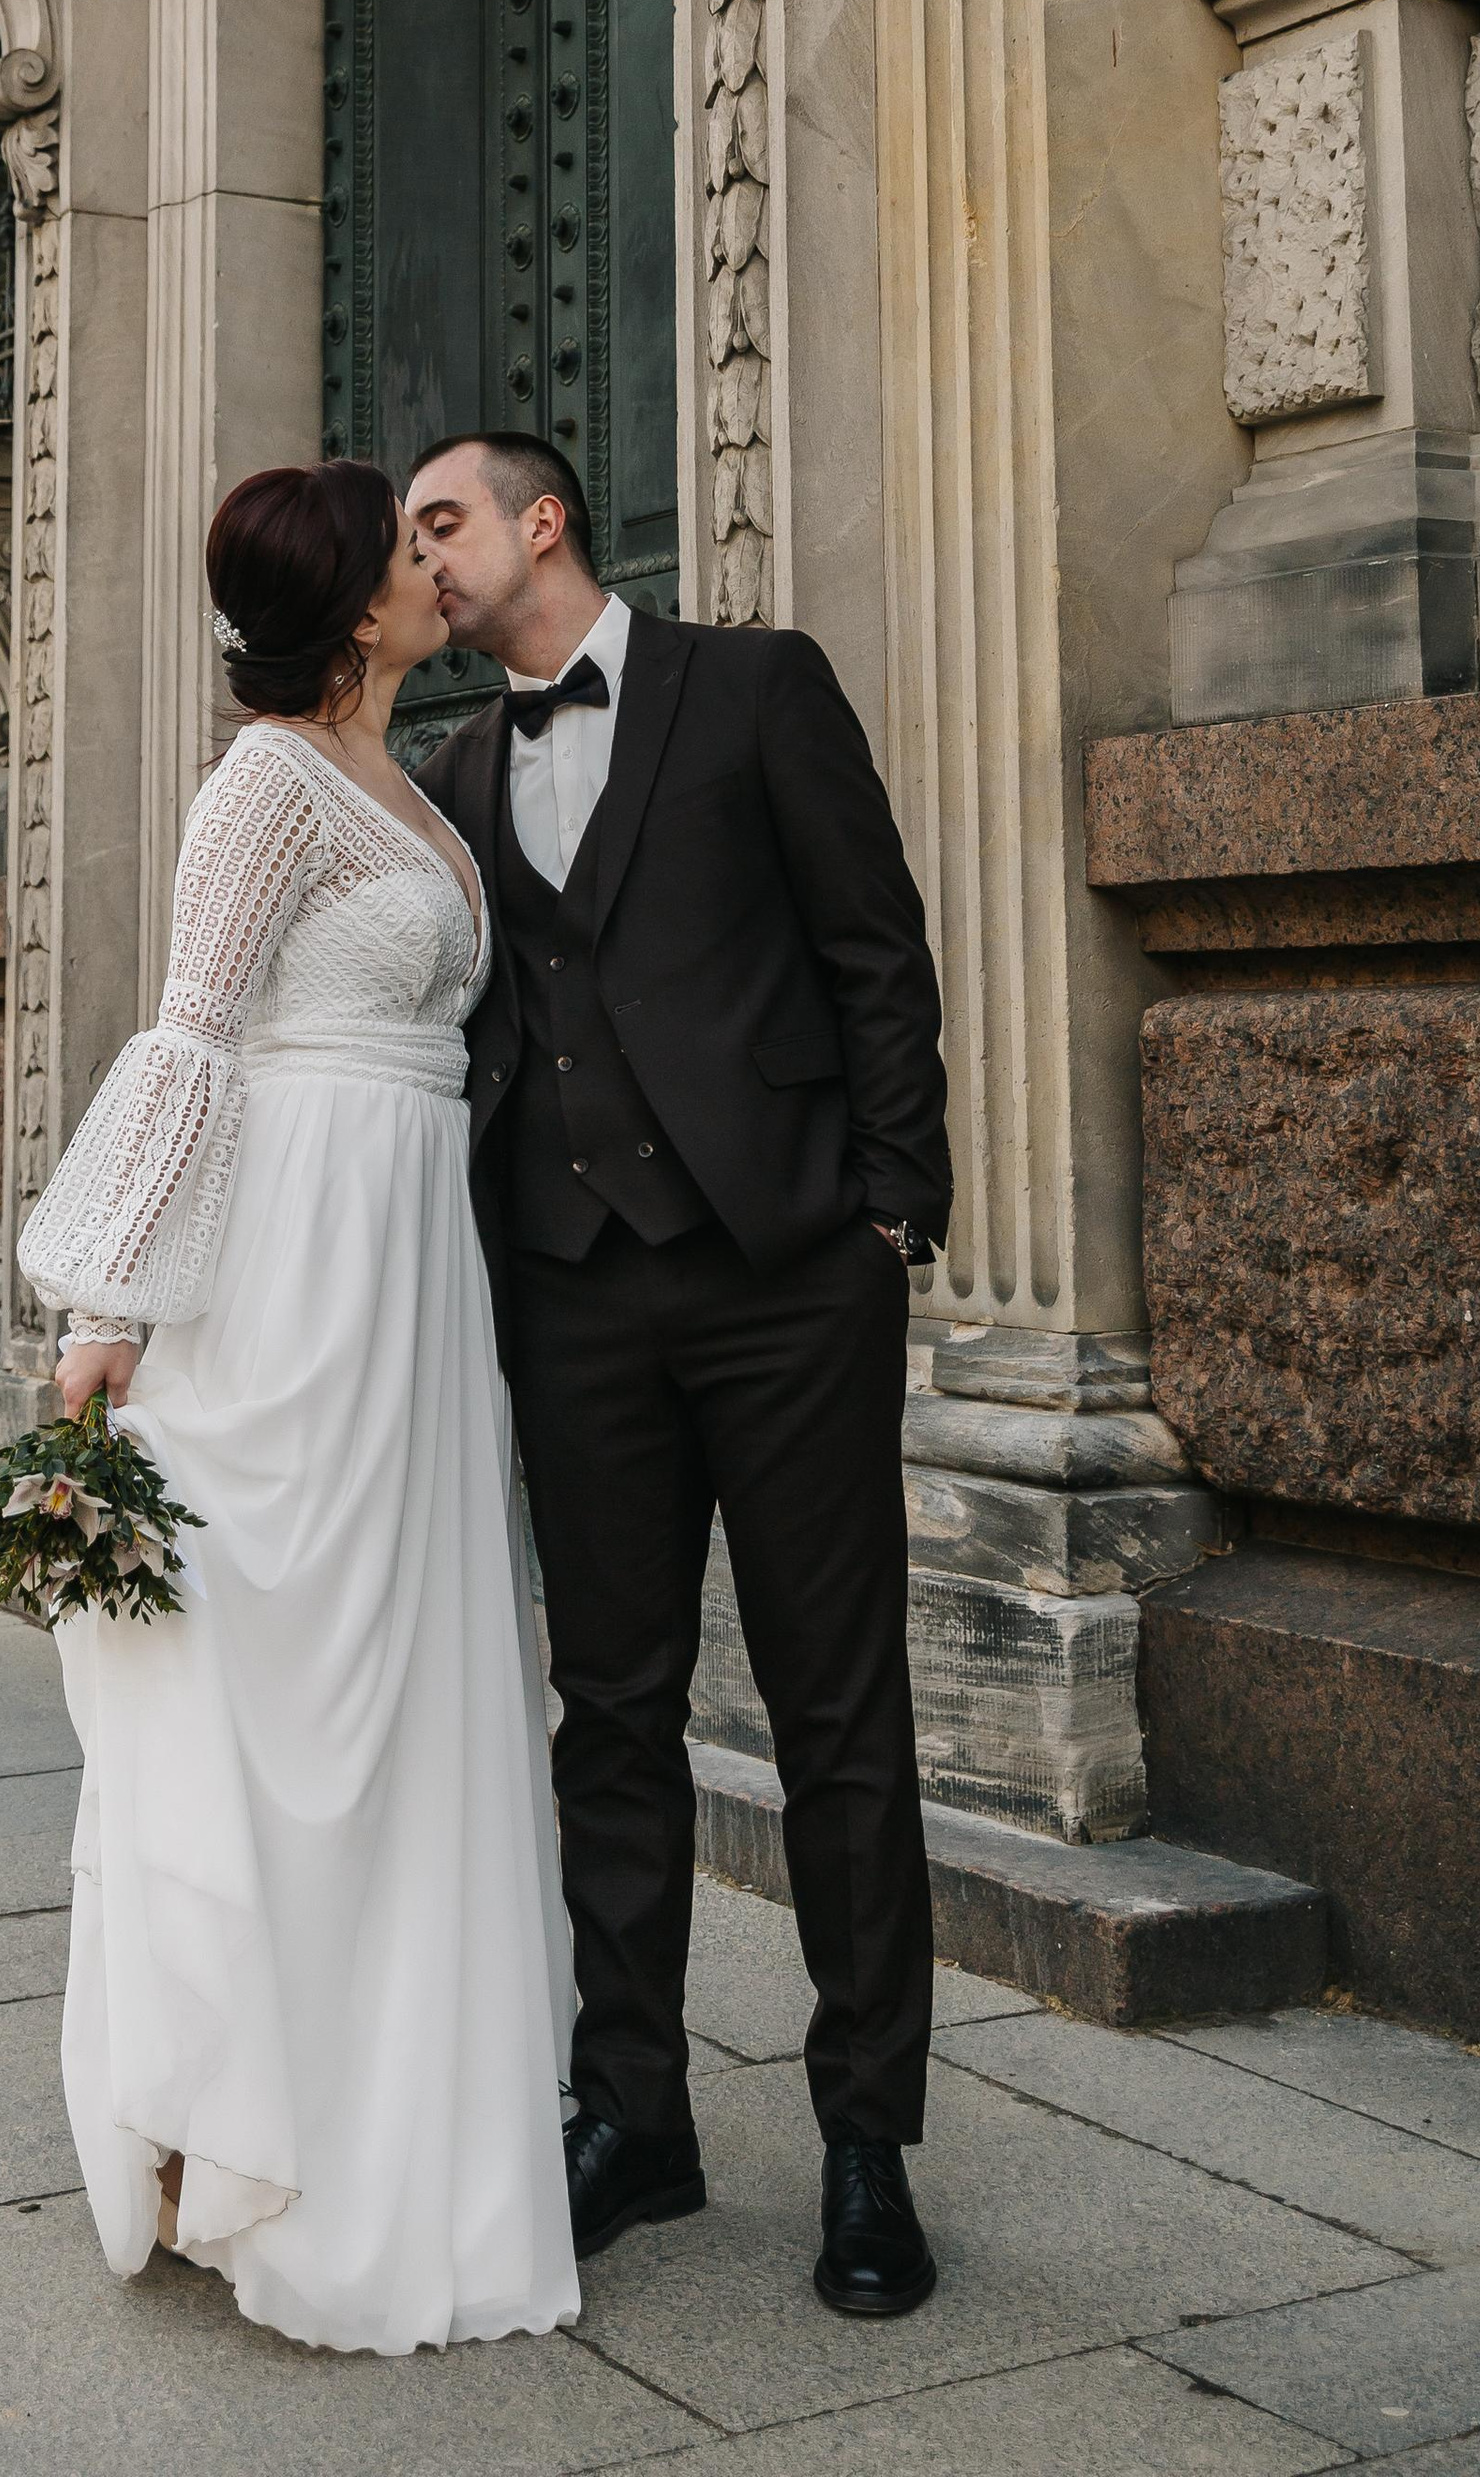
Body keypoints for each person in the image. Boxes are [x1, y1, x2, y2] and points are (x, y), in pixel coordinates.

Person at [15, 459, 578, 2356]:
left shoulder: (409, 781)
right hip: (296, 1279)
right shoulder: (262, 785)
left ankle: (390, 2126)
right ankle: (237, 2130)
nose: (438, 565)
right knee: (282, 1687)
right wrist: (109, 1309)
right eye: (407, 547)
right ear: (353, 603)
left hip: (417, 1273)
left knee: (409, 1690)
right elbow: (192, 1035)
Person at [406, 431, 952, 2321]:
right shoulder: (456, 769)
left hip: (791, 1287)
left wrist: (894, 1217)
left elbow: (877, 951)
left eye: (440, 523)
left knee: (837, 1719)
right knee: (612, 1719)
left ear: (541, 520)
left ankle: (869, 2142)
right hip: (574, 1304)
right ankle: (634, 2110)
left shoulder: (756, 684)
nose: (422, 559)